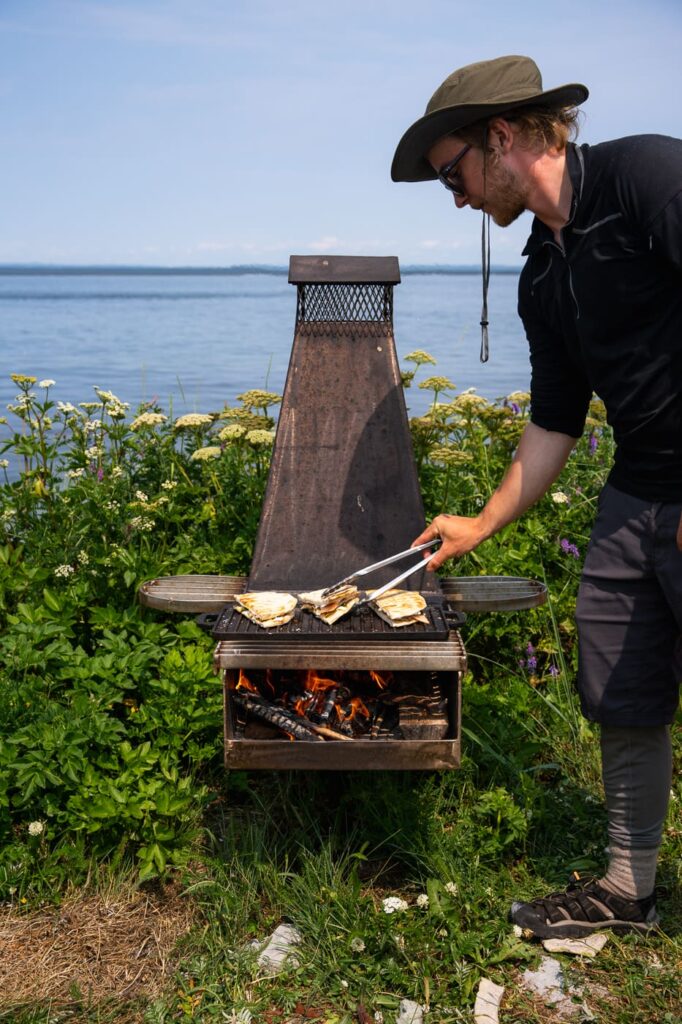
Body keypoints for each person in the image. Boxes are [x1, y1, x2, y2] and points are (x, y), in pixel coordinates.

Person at [391, 54, 682, 939]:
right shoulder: (541, 274)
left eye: (454, 174)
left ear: (504, 137)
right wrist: (481, 521)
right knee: (618, 684)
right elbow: (556, 420)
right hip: (640, 488)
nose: (456, 198)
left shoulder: (647, 178)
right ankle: (628, 890)